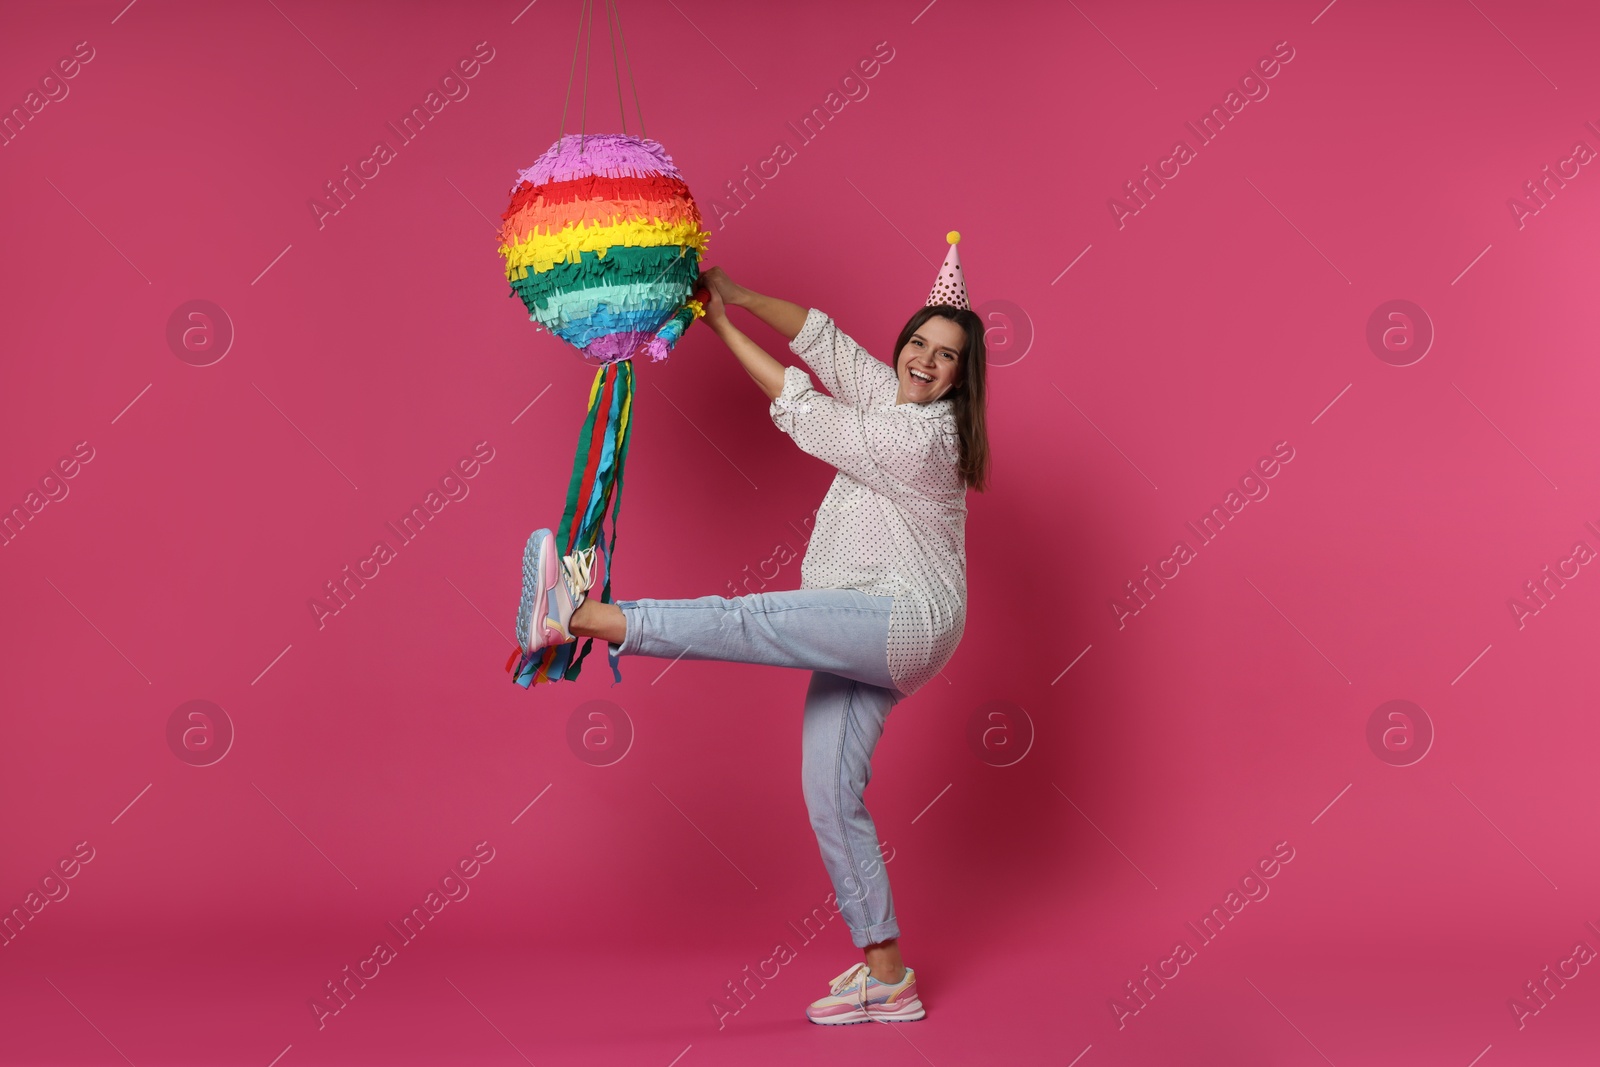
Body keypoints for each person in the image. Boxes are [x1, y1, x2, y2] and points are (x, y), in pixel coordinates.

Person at [515, 234, 989, 1025]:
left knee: (754, 621)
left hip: (904, 616)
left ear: (961, 382)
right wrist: (735, 290)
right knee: (830, 795)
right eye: (919, 344)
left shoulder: (922, 437)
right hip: (878, 614)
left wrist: (720, 326)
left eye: (946, 358)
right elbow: (824, 341)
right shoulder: (894, 396)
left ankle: (580, 615)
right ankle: (889, 975)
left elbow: (807, 415)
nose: (925, 362)